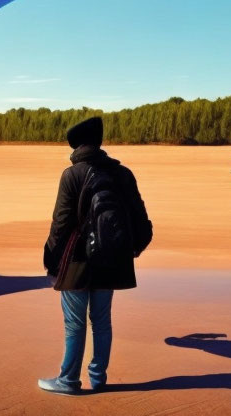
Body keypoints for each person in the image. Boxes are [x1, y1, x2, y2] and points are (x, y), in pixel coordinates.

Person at [38, 116, 153, 394]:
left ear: (76, 146)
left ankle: (68, 381)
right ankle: (98, 378)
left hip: (77, 260)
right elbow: (141, 220)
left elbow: (61, 224)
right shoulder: (122, 173)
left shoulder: (72, 174)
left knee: (75, 323)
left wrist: (50, 262)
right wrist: (131, 250)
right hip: (111, 261)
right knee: (101, 321)